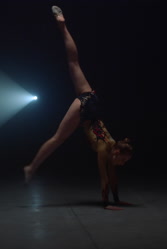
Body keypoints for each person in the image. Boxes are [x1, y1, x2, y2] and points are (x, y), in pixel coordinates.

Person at [24, 6, 133, 210]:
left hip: (91, 101)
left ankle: (62, 27)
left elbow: (113, 177)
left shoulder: (110, 147)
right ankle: (31, 167)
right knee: (57, 138)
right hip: (86, 109)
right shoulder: (104, 148)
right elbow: (105, 178)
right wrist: (107, 204)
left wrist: (118, 200)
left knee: (74, 63)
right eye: (124, 160)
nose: (123, 163)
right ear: (117, 152)